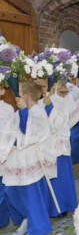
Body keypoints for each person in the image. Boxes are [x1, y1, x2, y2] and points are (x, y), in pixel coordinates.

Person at [2, 80, 58, 235]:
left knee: (31, 195)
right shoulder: (24, 111)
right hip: (18, 160)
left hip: (31, 159)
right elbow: (12, 131)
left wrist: (23, 111)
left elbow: (28, 131)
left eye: (20, 92)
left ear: (26, 96)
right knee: (12, 192)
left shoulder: (36, 111)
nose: (17, 95)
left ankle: (39, 228)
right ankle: (26, 220)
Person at [43, 81, 78, 217]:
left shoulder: (63, 103)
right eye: (61, 92)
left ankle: (65, 204)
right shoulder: (47, 102)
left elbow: (70, 120)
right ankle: (56, 207)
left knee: (63, 175)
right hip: (50, 145)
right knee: (54, 176)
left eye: (65, 93)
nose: (64, 95)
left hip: (61, 143)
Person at [0, 85, 15, 229]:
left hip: (3, 151)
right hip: (3, 151)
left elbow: (10, 133)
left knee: (3, 187)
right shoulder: (8, 109)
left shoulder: (8, 109)